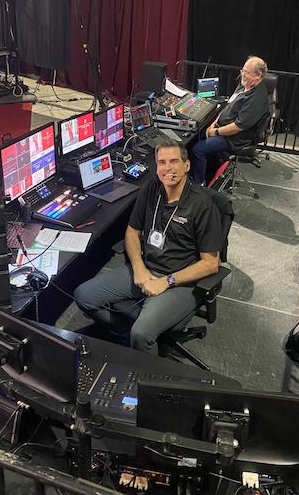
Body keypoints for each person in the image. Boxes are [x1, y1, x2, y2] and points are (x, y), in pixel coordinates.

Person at [73, 142, 222, 352]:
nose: (167, 168)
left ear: (187, 165)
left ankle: (146, 372)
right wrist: (139, 268)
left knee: (142, 334)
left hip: (179, 281)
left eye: (174, 161)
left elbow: (211, 264)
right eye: (162, 162)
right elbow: (132, 232)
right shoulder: (152, 188)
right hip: (145, 269)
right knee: (84, 296)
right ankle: (126, 337)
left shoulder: (203, 205)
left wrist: (167, 281)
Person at [191, 56, 270, 184]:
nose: (242, 74)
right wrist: (214, 124)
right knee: (199, 135)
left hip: (235, 139)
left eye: (246, 72)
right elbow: (228, 106)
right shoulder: (244, 86)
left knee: (198, 149)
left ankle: (199, 185)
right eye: (242, 70)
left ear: (258, 75)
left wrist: (215, 132)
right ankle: (212, 171)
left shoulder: (256, 98)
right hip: (223, 131)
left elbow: (238, 126)